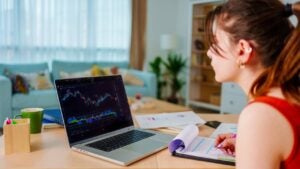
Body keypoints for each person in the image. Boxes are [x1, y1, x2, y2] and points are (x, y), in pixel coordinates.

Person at [205, 0, 300, 168]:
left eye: (215, 43)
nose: (209, 53)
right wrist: (251, 145)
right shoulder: (288, 93)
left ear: (242, 50)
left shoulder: (261, 115)